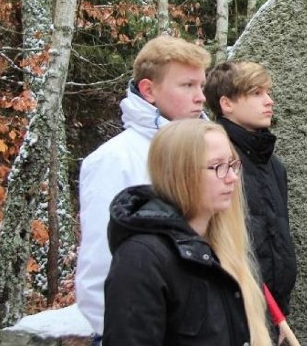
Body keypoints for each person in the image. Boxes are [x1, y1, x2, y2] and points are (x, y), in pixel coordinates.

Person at [76, 35, 211, 341]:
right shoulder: (114, 159)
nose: (200, 97)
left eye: (201, 85)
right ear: (149, 90)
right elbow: (99, 265)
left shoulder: (207, 151)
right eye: (187, 85)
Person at [102, 119, 272, 345]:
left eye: (232, 165)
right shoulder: (141, 259)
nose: (232, 177)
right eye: (218, 166)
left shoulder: (220, 246)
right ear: (180, 173)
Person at [203, 61, 297, 318]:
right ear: (227, 104)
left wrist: (281, 310)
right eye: (256, 93)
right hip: (232, 308)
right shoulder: (214, 161)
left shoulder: (273, 165)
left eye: (268, 93)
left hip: (275, 310)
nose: (269, 101)